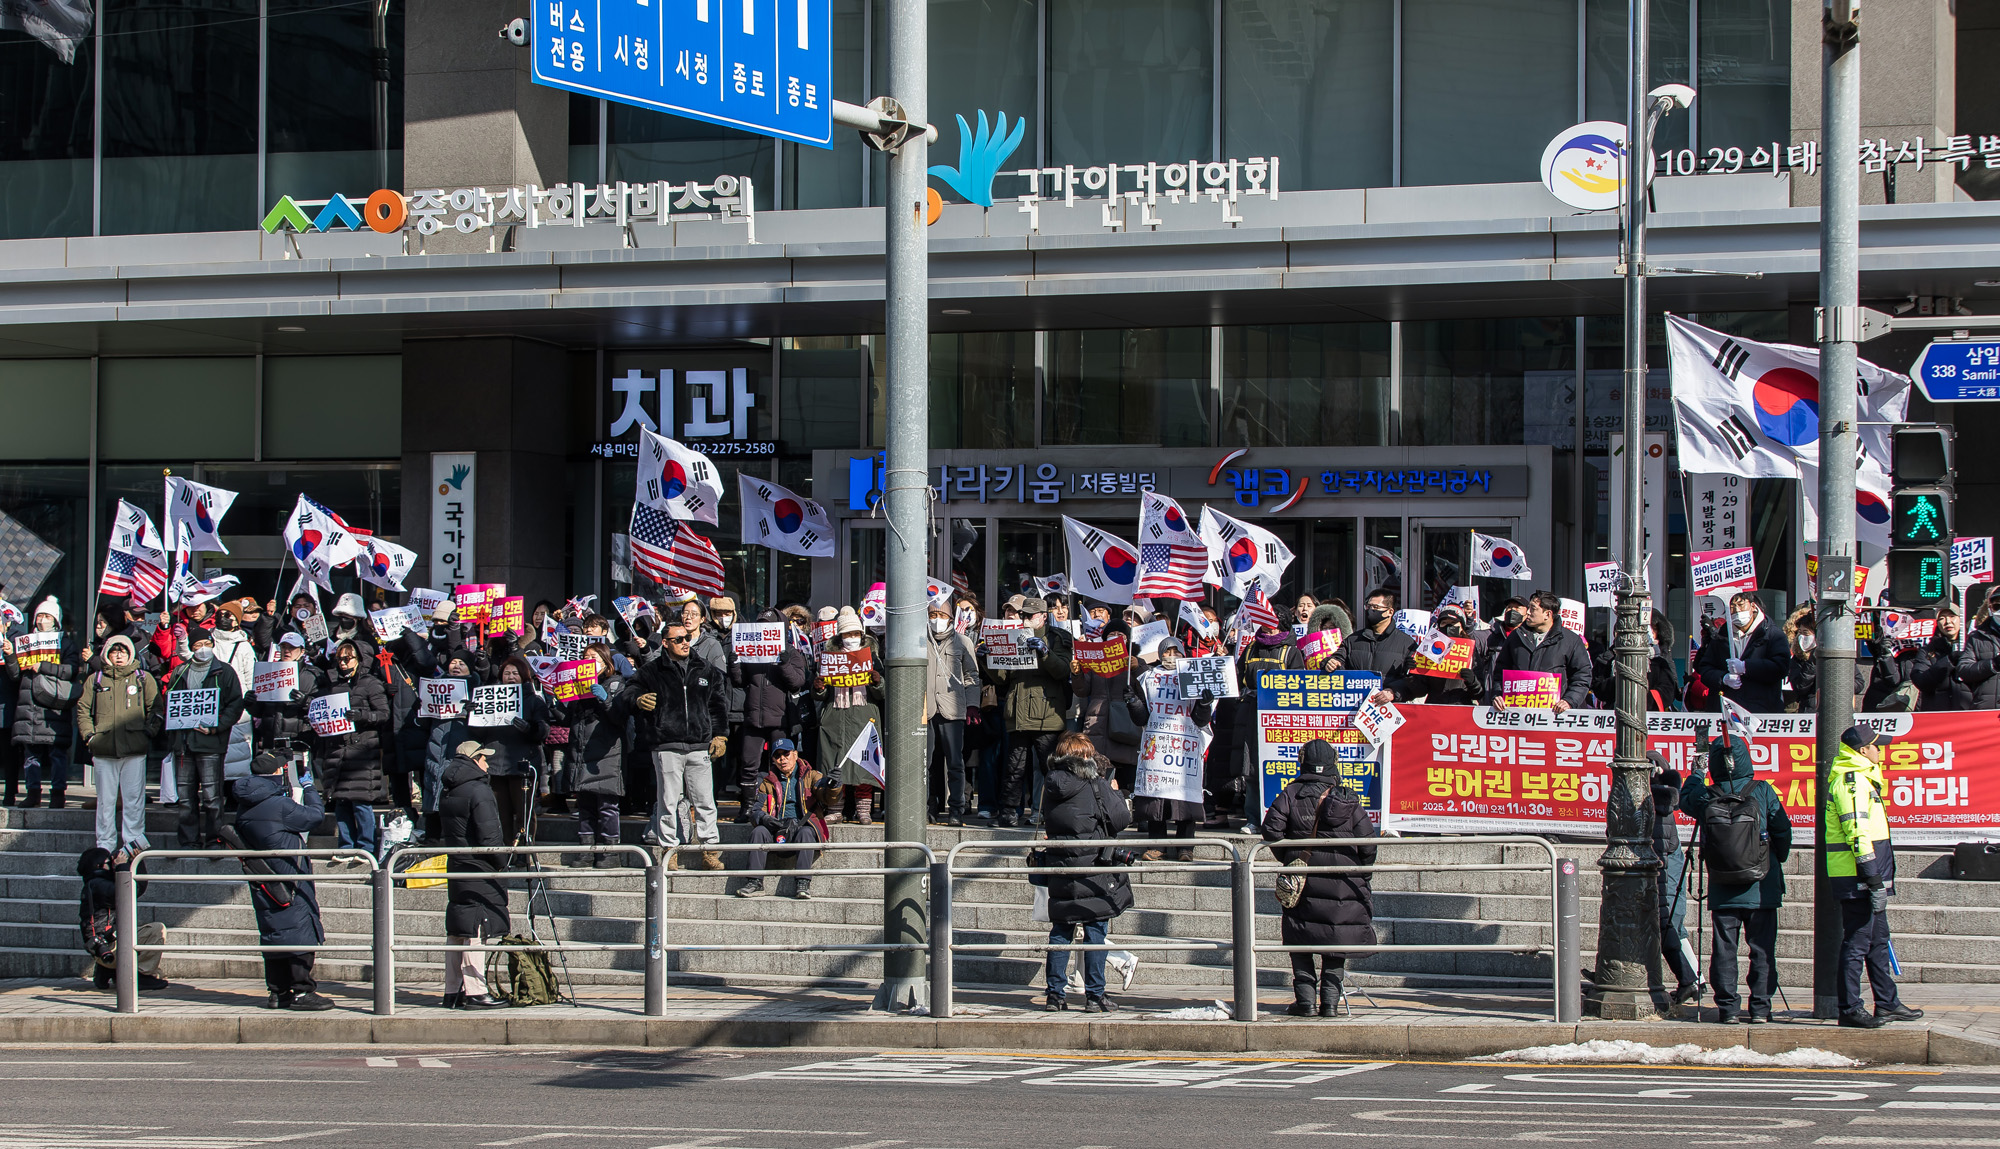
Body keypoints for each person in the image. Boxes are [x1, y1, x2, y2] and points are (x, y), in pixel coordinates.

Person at [1679, 718, 1792, 1024]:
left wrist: (1696, 773)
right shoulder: (1763, 791)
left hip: (1723, 883)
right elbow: (1783, 830)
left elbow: (1685, 799)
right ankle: (1760, 1008)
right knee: (1762, 949)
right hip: (1762, 884)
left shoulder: (1708, 795)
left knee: (1724, 949)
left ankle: (1727, 1008)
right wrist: (1775, 860)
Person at [1260, 738, 1377, 1017]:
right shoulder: (1348, 799)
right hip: (1344, 884)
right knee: (1335, 945)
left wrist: (1292, 859)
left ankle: (1306, 1004)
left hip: (1304, 885)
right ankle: (1331, 1006)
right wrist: (1362, 874)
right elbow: (1369, 845)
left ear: (1303, 762)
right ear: (1333, 764)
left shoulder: (1291, 794)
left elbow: (1270, 832)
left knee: (1300, 943)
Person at [1826, 725, 1922, 1028]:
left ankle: (1888, 1003)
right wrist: (1872, 879)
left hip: (1866, 875)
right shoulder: (1851, 782)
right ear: (1863, 750)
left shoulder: (1864, 780)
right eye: (1876, 746)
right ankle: (1849, 1008)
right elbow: (1857, 834)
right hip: (1857, 876)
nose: (1881, 750)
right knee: (1857, 941)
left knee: (1879, 940)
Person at [232, 750, 334, 1010]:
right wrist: (309, 788)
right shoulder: (278, 805)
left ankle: (278, 992)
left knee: (275, 932)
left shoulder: (247, 803)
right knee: (299, 930)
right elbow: (314, 816)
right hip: (289, 878)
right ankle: (302, 991)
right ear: (277, 773)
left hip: (264, 878)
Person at [1038, 733, 1132, 1013]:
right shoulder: (1095, 784)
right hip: (1094, 870)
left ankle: (1054, 995)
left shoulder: (1050, 784)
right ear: (1083, 757)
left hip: (1061, 869)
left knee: (1060, 932)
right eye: (1089, 754)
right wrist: (1115, 792)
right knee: (1095, 932)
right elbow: (1121, 820)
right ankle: (1095, 996)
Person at [629, 619, 728, 870]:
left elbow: (717, 705)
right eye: (678, 639)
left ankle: (710, 850)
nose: (685, 643)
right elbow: (628, 690)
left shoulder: (706, 669)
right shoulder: (652, 670)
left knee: (705, 800)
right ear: (665, 643)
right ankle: (669, 849)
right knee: (668, 801)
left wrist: (720, 735)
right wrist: (638, 699)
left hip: (699, 745)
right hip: (666, 745)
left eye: (687, 638)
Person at [985, 596, 1072, 828]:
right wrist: (988, 659)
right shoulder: (1014, 636)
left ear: (1044, 616)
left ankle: (1055, 813)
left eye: (1030, 615)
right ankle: (1008, 813)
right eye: (1023, 615)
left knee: (1050, 768)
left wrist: (1045, 652)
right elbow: (1003, 678)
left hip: (1046, 715)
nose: (1025, 619)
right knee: (1014, 768)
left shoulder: (1057, 638)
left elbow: (1063, 671)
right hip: (1018, 713)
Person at [1126, 637, 1213, 859]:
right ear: (1160, 654)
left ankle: (1185, 848)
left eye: (1176, 651)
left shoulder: (1195, 677)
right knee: (1157, 802)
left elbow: (1201, 720)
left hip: (1184, 749)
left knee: (1185, 801)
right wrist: (1133, 702)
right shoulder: (1149, 678)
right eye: (1167, 651)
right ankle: (1157, 845)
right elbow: (1142, 718)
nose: (1172, 656)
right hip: (1157, 749)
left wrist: (1204, 703)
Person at [161, 627, 248, 850]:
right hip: (184, 744)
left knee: (212, 797)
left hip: (210, 744)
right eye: (197, 645)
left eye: (206, 644)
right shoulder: (181, 672)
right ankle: (189, 840)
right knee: (186, 798)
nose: (202, 649)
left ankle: (214, 840)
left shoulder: (225, 672)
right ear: (191, 648)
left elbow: (235, 704)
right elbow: (171, 704)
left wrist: (215, 727)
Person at [438, 740, 509, 1009]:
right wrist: (502, 861)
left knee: (458, 928)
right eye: (484, 758)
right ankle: (476, 991)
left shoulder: (448, 789)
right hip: (480, 868)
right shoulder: (479, 790)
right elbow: (489, 834)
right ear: (474, 760)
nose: (488, 763)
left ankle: (452, 991)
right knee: (476, 928)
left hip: (457, 866)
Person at [78, 635, 162, 855]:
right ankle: (104, 844)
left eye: (123, 651)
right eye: (114, 652)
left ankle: (132, 844)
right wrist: (89, 736)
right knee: (106, 802)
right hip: (104, 750)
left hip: (134, 750)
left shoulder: (143, 678)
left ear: (130, 654)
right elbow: (83, 710)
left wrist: (147, 733)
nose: (118, 656)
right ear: (107, 654)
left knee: (133, 800)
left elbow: (156, 709)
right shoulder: (95, 680)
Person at [1, 597, 85, 808]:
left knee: (56, 754)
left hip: (54, 705)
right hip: (29, 705)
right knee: (32, 754)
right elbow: (15, 675)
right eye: (39, 616)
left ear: (55, 620)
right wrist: (11, 656)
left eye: (47, 616)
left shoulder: (64, 643)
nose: (41, 620)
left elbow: (71, 671)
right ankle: (33, 793)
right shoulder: (26, 642)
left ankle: (57, 794)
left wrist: (43, 667)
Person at [310, 640, 389, 860]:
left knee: (361, 802)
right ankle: (346, 846)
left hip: (362, 751)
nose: (343, 664)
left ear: (359, 659)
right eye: (340, 659)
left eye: (348, 658)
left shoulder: (370, 683)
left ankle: (365, 847)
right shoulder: (332, 685)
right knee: (340, 800)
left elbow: (383, 713)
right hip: (336, 750)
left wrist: (363, 716)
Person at [730, 609, 810, 821]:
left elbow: (798, 682)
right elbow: (739, 681)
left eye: (770, 626)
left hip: (780, 719)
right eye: (762, 625)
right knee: (749, 764)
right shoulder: (751, 650)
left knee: (782, 764)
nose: (765, 629)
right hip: (753, 717)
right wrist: (734, 663)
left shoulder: (791, 652)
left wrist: (784, 663)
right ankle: (747, 806)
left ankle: (783, 804)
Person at [737, 738, 839, 899]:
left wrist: (834, 785)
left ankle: (803, 883)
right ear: (773, 760)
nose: (782, 759)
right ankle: (755, 882)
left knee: (806, 833)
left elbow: (827, 797)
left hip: (801, 826)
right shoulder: (766, 781)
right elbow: (756, 810)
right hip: (776, 828)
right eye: (777, 756)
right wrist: (764, 818)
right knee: (758, 832)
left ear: (795, 754)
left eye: (786, 754)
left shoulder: (812, 775)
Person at [817, 607, 886, 825]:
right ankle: (835, 808)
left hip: (863, 716)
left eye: (855, 634)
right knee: (835, 763)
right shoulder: (828, 659)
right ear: (840, 637)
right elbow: (821, 694)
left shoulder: (872, 658)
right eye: (847, 635)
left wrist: (878, 682)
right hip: (836, 718)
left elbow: (883, 694)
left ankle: (864, 810)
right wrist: (819, 687)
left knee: (863, 764)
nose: (852, 639)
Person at [563, 644, 630, 866]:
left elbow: (620, 717)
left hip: (606, 753)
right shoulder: (576, 686)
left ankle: (610, 852)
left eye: (594, 657)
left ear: (605, 661)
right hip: (581, 750)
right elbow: (566, 719)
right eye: (585, 657)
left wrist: (605, 699)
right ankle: (585, 850)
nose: (588, 660)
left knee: (607, 805)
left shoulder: (616, 683)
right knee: (585, 804)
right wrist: (559, 702)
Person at [1650, 751, 1702, 1009]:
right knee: (1666, 926)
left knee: (1668, 925)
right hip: (1662, 868)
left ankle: (1691, 979)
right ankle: (1693, 979)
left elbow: (1668, 797)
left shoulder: (1658, 800)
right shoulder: (1660, 800)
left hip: (1663, 870)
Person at [76, 847, 168, 993]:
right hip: (110, 946)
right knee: (157, 930)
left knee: (139, 933)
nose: (112, 863)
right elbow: (128, 891)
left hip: (105, 945)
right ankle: (139, 975)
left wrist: (137, 862)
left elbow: (137, 888)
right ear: (99, 866)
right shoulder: (98, 885)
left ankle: (108, 970)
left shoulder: (95, 883)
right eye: (109, 862)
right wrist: (121, 866)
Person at [484, 656, 551, 855]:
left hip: (523, 765)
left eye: (515, 673)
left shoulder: (534, 700)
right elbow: (477, 731)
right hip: (496, 765)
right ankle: (504, 852)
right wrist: (473, 713)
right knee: (500, 814)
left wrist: (529, 728)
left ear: (524, 676)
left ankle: (524, 853)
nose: (511, 677)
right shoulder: (490, 697)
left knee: (524, 814)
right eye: (507, 673)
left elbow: (544, 731)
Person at [1488, 590, 1594, 712]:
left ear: (1547, 614)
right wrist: (1498, 695)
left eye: (1533, 609)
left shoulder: (1571, 641)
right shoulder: (1515, 637)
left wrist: (1569, 701)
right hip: (1518, 714)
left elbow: (1582, 676)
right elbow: (1500, 672)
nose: (1528, 612)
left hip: (1555, 717)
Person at [924, 600, 980, 825]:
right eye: (933, 614)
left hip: (953, 709)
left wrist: (972, 705)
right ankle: (929, 807)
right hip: (926, 709)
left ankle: (956, 808)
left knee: (955, 762)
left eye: (942, 615)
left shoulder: (962, 641)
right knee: (927, 763)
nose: (937, 619)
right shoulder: (920, 640)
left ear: (950, 617)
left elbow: (972, 676)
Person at [1694, 592, 1790, 713]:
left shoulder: (1772, 635)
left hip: (1761, 711)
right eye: (1732, 607)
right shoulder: (1721, 635)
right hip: (1726, 712)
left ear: (1753, 606)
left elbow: (1781, 668)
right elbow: (1705, 669)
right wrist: (1723, 678)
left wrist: (1746, 667)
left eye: (1741, 605)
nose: (1737, 611)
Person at [1331, 589, 1417, 702]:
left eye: (1376, 607)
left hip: (1388, 709)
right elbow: (1338, 660)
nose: (1371, 610)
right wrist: (1331, 663)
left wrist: (1393, 691)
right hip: (1354, 705)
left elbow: (1414, 681)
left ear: (1390, 612)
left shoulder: (1407, 644)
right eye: (1368, 606)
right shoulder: (1353, 640)